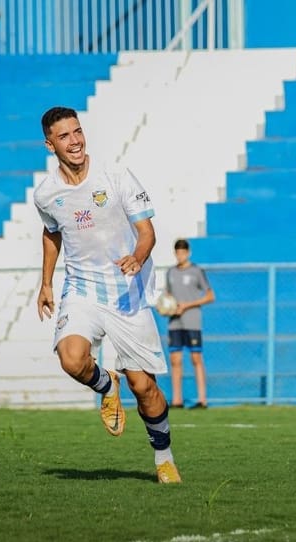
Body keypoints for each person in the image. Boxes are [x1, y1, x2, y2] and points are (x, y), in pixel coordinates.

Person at [34, 106, 181, 484]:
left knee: (144, 387)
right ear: (50, 144)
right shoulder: (47, 194)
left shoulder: (115, 177)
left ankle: (163, 457)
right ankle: (105, 384)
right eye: (64, 136)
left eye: (78, 132)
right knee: (71, 359)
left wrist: (137, 256)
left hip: (126, 293)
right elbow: (52, 234)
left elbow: (147, 231)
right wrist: (46, 283)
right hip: (81, 290)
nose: (75, 141)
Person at [164, 238, 215, 409]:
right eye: (177, 253)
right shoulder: (170, 272)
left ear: (188, 253)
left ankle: (202, 399)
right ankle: (177, 400)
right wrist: (167, 307)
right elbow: (168, 296)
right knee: (175, 359)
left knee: (196, 358)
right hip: (175, 323)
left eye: (183, 253)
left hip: (192, 321)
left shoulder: (197, 271)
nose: (180, 256)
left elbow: (210, 296)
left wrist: (187, 305)